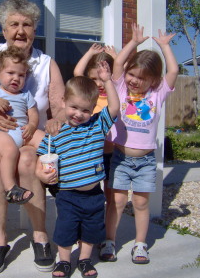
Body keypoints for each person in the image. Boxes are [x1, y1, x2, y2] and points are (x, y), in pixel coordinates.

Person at [0, 0, 65, 275]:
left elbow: (58, 106)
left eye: (27, 25)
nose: (20, 30)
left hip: (26, 134)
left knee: (27, 158)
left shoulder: (46, 64)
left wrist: (55, 119)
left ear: (35, 30)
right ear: (4, 29)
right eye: (14, 24)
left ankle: (40, 236)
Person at [100, 23, 179, 265]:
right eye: (132, 74)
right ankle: (109, 241)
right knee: (117, 201)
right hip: (121, 157)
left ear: (153, 80)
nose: (134, 80)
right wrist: (133, 42)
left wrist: (164, 46)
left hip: (145, 161)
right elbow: (118, 64)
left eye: (141, 77)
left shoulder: (157, 94)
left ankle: (140, 244)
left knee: (141, 203)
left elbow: (173, 70)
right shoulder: (121, 87)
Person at [36, 61, 119, 278]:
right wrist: (40, 173)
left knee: (91, 231)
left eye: (85, 110)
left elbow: (114, 107)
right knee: (65, 230)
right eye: (74, 107)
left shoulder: (96, 126)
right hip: (67, 194)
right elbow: (41, 157)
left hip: (93, 194)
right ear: (63, 102)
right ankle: (64, 261)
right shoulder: (55, 134)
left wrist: (108, 81)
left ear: (93, 110)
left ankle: (84, 260)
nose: (79, 114)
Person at [0, 46, 45, 204]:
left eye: (21, 75)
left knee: (47, 142)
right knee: (10, 151)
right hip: (1, 133)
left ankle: (50, 175)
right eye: (11, 73)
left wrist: (33, 126)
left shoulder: (25, 94)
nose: (16, 78)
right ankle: (10, 188)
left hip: (24, 131)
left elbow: (33, 112)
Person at [73, 44, 117, 240]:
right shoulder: (89, 97)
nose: (98, 83)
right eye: (94, 79)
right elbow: (77, 72)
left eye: (102, 78)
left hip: (111, 154)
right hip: (91, 156)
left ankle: (107, 235)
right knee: (90, 197)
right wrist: (89, 53)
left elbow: (120, 72)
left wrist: (116, 57)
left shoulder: (115, 93)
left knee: (111, 196)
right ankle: (87, 232)